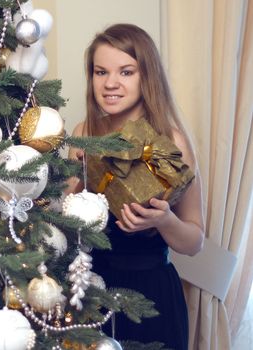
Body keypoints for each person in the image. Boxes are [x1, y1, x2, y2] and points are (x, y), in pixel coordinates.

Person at [66, 23, 204, 350]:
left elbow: (195, 242)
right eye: (101, 72)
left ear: (146, 77)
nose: (110, 83)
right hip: (91, 289)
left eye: (125, 72)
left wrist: (164, 220)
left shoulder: (172, 142)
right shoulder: (84, 132)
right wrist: (77, 184)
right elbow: (66, 227)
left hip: (153, 295)